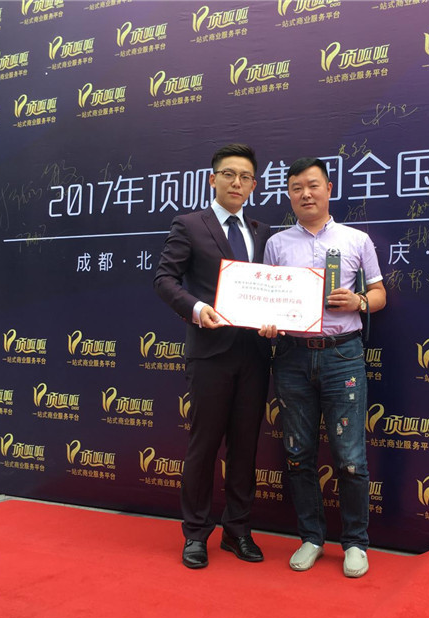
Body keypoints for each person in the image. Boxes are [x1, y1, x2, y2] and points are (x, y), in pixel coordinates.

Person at [262, 157, 386, 578]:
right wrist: (268, 320)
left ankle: (355, 542)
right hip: (292, 356)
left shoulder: (356, 239)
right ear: (289, 195)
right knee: (298, 453)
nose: (305, 194)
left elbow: (379, 293)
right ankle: (311, 537)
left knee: (350, 456)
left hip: (341, 355)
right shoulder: (277, 244)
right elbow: (266, 298)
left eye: (312, 185)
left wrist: (359, 301)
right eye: (296, 187)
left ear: (329, 188)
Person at [154, 143, 272, 569]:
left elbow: (274, 290)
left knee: (245, 447)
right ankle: (196, 533)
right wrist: (197, 309)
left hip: (255, 354)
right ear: (212, 179)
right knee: (203, 446)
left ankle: (237, 530)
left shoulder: (262, 232)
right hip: (210, 353)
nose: (236, 182)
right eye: (228, 174)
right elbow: (164, 279)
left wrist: (276, 319)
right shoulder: (189, 225)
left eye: (245, 177)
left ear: (254, 185)